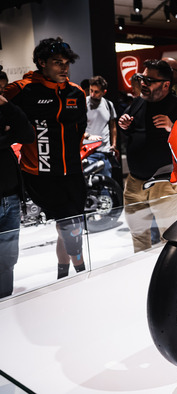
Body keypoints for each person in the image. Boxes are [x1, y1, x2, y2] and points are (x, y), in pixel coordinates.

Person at [4, 37, 88, 279]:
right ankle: (82, 273)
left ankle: (63, 275)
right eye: (57, 63)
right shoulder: (22, 90)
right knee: (71, 227)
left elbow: (79, 131)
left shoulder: (77, 93)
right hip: (40, 175)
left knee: (69, 227)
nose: (64, 68)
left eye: (66, 63)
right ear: (42, 63)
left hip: (72, 173)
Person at [118, 59, 177, 252]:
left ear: (166, 84)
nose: (143, 84)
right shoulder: (139, 102)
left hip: (164, 183)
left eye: (149, 80)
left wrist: (173, 128)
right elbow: (133, 132)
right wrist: (124, 124)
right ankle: (142, 276)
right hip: (134, 182)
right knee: (138, 236)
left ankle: (167, 277)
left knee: (169, 237)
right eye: (142, 78)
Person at [0, 94, 35, 298]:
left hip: (11, 196)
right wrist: (8, 137)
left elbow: (28, 134)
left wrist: (7, 105)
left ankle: (5, 300)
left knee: (9, 257)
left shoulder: (4, 109)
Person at [84, 75, 118, 177]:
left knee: (106, 184)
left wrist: (114, 144)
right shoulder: (83, 103)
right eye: (91, 91)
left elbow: (113, 126)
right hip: (88, 151)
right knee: (89, 185)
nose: (93, 94)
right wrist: (86, 136)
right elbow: (76, 126)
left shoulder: (108, 104)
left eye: (96, 92)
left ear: (104, 92)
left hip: (105, 152)